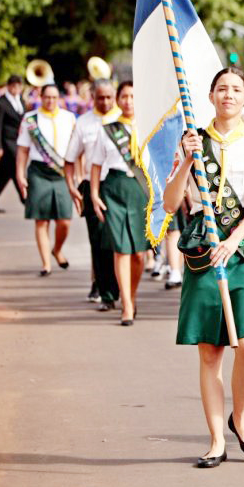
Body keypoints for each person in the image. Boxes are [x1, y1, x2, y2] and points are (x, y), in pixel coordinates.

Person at [164, 67, 244, 468]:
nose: (228, 95)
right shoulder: (194, 141)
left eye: (236, 89)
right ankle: (215, 439)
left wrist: (233, 240)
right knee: (210, 352)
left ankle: (240, 418)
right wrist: (186, 162)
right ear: (210, 95)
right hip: (203, 249)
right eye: (221, 88)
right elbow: (170, 203)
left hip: (242, 249)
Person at [87, 81, 149, 326]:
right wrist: (94, 194)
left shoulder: (151, 128)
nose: (128, 101)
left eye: (133, 96)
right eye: (124, 96)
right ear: (118, 100)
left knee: (139, 255)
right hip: (114, 189)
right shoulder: (108, 130)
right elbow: (95, 164)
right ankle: (126, 304)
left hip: (142, 190)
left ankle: (131, 296)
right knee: (121, 249)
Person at [64, 79, 122, 308]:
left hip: (122, 187)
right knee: (99, 243)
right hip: (92, 186)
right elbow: (69, 159)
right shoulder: (84, 123)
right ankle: (106, 293)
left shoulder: (127, 120)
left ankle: (122, 289)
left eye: (109, 96)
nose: (105, 101)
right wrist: (71, 186)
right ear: (93, 98)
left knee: (123, 244)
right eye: (100, 97)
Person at [15, 84, 76, 276]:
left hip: (62, 173)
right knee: (41, 220)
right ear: (41, 97)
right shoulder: (30, 119)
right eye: (47, 97)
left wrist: (79, 175)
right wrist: (19, 174)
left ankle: (57, 249)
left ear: (59, 98)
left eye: (54, 97)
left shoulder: (69, 118)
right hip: (39, 171)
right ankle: (46, 263)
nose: (50, 101)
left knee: (64, 220)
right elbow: (23, 149)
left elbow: (77, 150)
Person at [0, 75, 28, 212]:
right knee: (17, 168)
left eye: (19, 86)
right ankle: (26, 199)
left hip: (19, 142)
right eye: (14, 86)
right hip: (7, 142)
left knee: (3, 175)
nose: (16, 89)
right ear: (9, 86)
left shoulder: (21, 101)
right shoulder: (1, 103)